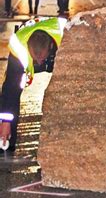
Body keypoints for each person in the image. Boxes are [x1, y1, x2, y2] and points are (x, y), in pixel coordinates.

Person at [0, 17, 66, 153]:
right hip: (27, 49)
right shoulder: (19, 49)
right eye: (36, 59)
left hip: (58, 46)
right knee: (11, 91)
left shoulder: (65, 37)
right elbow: (11, 91)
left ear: (51, 47)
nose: (40, 62)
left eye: (42, 58)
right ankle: (7, 139)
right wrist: (5, 122)